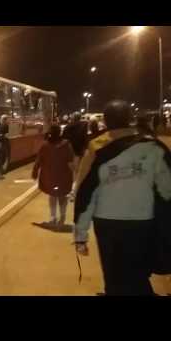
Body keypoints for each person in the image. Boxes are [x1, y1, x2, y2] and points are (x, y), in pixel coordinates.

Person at [73, 100, 171, 296]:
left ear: (106, 121)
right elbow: (167, 190)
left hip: (107, 224)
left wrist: (80, 235)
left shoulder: (96, 148)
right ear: (130, 119)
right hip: (143, 221)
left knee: (113, 275)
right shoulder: (153, 146)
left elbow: (85, 194)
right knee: (138, 274)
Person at [32, 124, 75, 226]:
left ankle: (53, 217)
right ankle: (62, 217)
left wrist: (35, 172)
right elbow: (71, 163)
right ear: (60, 132)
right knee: (62, 196)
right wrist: (74, 175)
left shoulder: (45, 145)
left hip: (50, 177)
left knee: (52, 196)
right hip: (63, 177)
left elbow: (38, 161)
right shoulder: (66, 145)